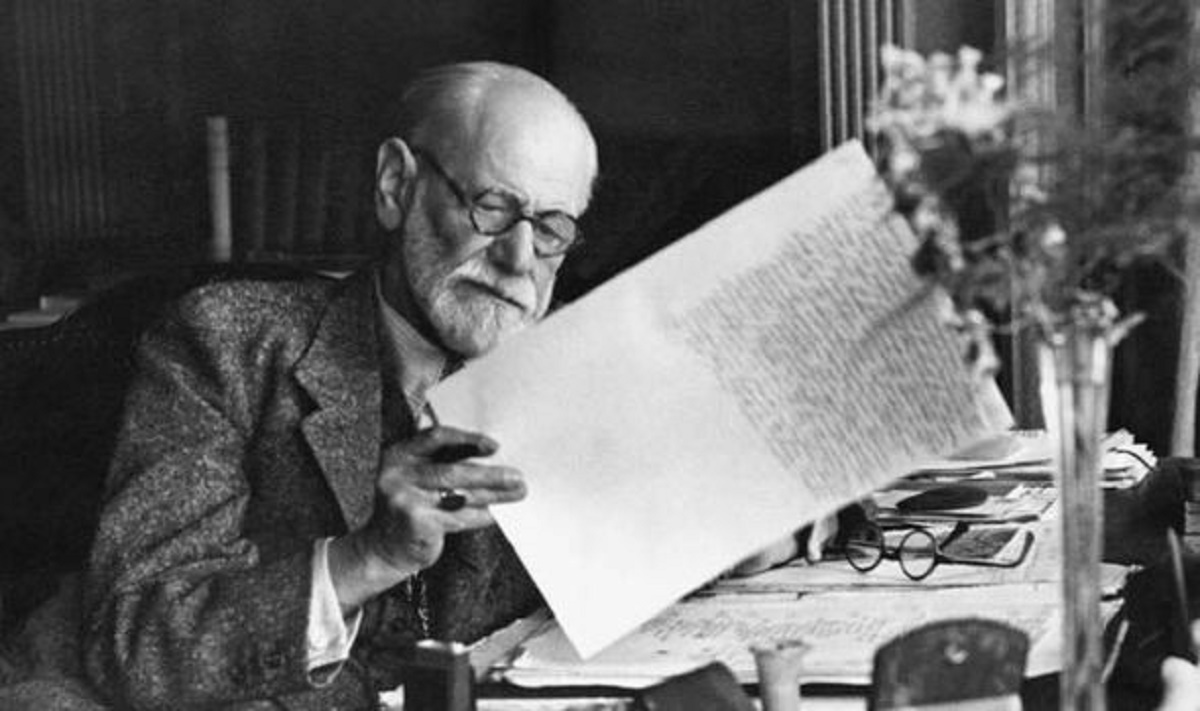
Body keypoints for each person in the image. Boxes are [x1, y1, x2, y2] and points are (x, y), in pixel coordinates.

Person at [0, 62, 805, 710]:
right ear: (395, 186)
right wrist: (366, 556)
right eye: (493, 208)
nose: (519, 261)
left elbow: (747, 498)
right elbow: (138, 642)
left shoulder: (577, 370)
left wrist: (765, 532)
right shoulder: (226, 342)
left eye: (552, 230)